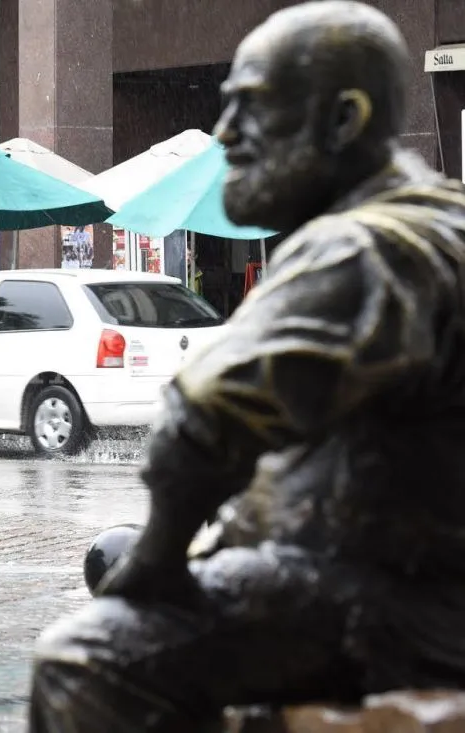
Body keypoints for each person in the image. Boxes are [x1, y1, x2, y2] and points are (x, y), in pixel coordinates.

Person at [29, 2, 465, 731]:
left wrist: (161, 560)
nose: (224, 133)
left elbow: (200, 418)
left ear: (341, 120)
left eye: (250, 108)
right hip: (419, 583)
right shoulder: (438, 221)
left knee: (89, 657)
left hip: (401, 605)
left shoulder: (365, 246)